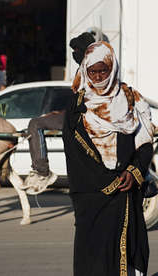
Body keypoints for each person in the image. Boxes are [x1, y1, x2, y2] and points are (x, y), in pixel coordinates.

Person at [62, 41, 154, 276]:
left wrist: (134, 172)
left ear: (112, 67)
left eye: (103, 70)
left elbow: (144, 143)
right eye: (93, 71)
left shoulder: (131, 99)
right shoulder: (78, 105)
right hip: (90, 194)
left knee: (128, 250)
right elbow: (74, 151)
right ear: (85, 71)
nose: (99, 76)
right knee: (92, 254)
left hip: (127, 191)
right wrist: (108, 181)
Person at [23, 32, 96, 195]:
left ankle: (42, 172)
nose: (74, 54)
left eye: (77, 50)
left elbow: (87, 98)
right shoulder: (87, 66)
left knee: (35, 124)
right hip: (78, 113)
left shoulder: (90, 68)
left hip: (82, 117)